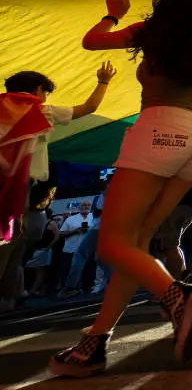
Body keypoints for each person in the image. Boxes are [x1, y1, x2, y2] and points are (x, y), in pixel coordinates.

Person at [49, 0, 192, 377]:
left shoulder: (153, 32)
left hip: (157, 132)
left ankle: (178, 296)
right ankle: (95, 341)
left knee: (113, 243)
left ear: (166, 7)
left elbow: (91, 41)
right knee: (137, 244)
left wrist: (113, 14)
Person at [1, 63, 116, 310]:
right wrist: (103, 81)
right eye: (45, 93)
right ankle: (7, 301)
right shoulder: (40, 111)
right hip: (21, 188)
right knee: (11, 247)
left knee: (11, 249)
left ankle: (9, 299)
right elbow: (89, 108)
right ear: (38, 90)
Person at [160, 182, 192, 281]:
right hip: (191, 206)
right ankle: (186, 275)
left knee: (170, 246)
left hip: (178, 204)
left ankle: (180, 282)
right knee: (174, 245)